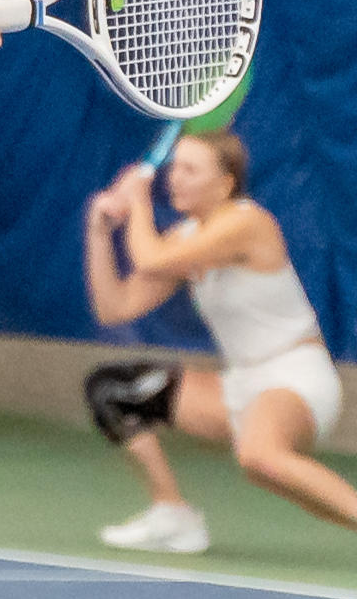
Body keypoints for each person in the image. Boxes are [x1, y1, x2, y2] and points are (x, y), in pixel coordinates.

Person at [82, 129, 357, 554]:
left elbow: (149, 257)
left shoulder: (248, 223)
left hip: (297, 378)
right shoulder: (185, 238)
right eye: (174, 167)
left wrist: (135, 199)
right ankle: (173, 514)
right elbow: (114, 307)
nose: (175, 178)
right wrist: (99, 233)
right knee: (114, 393)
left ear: (226, 184)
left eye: (191, 170)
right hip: (241, 384)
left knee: (258, 455)